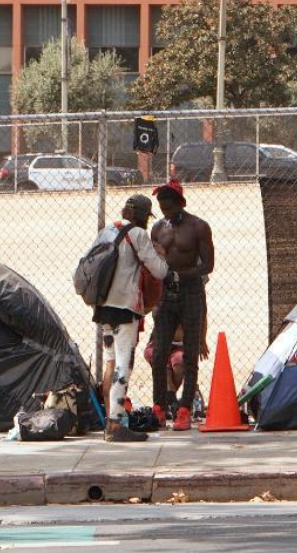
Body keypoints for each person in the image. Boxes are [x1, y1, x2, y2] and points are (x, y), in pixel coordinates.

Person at [86, 194, 169, 443]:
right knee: (124, 364)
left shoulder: (107, 231)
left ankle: (109, 421)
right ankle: (115, 425)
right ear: (143, 215)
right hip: (124, 308)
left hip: (103, 308)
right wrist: (160, 255)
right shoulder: (138, 235)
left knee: (111, 362)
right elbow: (159, 270)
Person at [150, 179, 214, 431]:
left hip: (190, 292)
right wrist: (162, 278)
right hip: (165, 296)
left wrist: (182, 274)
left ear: (181, 204)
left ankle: (185, 409)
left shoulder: (198, 227)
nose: (166, 213)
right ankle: (159, 407)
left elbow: (208, 265)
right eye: (162, 208)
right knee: (159, 352)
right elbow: (153, 261)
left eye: (169, 207)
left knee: (189, 353)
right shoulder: (157, 228)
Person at [144, 324, 185, 414]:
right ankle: (171, 400)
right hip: (159, 343)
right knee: (161, 361)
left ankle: (167, 401)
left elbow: (202, 316)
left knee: (179, 364)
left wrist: (202, 340)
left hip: (180, 346)